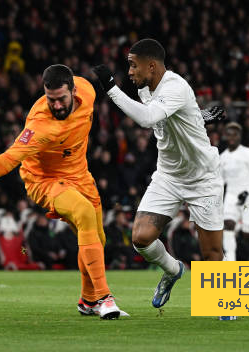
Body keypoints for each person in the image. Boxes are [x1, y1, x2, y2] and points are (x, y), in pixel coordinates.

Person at [0, 64, 127, 319]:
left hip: (81, 176)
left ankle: (88, 300)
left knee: (96, 239)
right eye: (50, 99)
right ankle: (104, 297)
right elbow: (8, 159)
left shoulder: (87, 90)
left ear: (74, 90)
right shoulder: (39, 125)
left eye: (61, 99)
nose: (55, 105)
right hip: (45, 181)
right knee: (84, 213)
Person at [93, 39, 227, 316]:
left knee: (211, 253)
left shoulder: (175, 86)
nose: (129, 72)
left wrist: (111, 89)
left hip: (203, 178)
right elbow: (170, 120)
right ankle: (172, 270)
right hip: (168, 175)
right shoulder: (146, 89)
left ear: (151, 66)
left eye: (133, 65)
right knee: (140, 238)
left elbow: (149, 118)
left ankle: (224, 301)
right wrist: (199, 116)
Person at [219, 122, 249, 261]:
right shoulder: (223, 157)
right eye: (229, 134)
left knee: (248, 235)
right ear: (225, 136)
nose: (232, 137)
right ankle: (231, 261)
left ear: (240, 136)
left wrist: (247, 191)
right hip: (232, 196)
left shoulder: (248, 153)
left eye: (235, 134)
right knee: (227, 224)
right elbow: (221, 181)